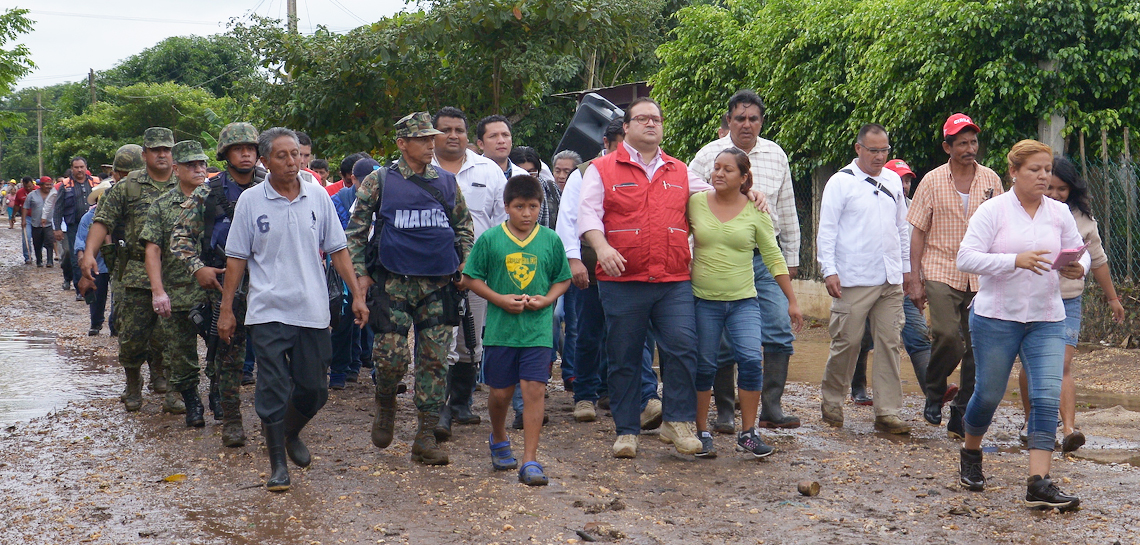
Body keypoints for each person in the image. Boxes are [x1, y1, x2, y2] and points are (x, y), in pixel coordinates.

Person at [578, 97, 768, 458]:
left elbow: (717, 195)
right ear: (627, 127)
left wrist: (749, 191)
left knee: (683, 349)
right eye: (643, 119)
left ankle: (678, 423)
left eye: (656, 119)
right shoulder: (601, 170)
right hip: (623, 281)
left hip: (674, 280)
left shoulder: (679, 171)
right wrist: (602, 249)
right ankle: (627, 430)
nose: (651, 124)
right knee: (625, 356)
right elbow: (587, 216)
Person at [217, 127, 366, 492]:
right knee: (272, 387)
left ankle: (291, 432)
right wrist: (227, 309)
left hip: (312, 308)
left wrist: (357, 295)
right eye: (282, 156)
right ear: (266, 162)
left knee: (315, 389)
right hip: (267, 308)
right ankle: (277, 467)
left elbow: (338, 249)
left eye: (296, 154)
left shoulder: (317, 196)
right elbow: (236, 258)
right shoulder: (251, 202)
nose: (292, 162)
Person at [955, 139, 1086, 511]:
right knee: (989, 395)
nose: (1044, 176)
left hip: (1046, 316)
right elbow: (966, 257)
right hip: (996, 316)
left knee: (1045, 397)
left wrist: (1077, 267)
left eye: (1047, 169)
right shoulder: (993, 211)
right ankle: (971, 452)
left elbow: (1080, 253)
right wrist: (1014, 260)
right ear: (1014, 172)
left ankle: (1038, 482)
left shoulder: (1059, 213)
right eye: (1035, 170)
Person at [345, 112, 474, 466]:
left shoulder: (446, 182)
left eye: (432, 138)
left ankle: (426, 434)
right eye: (422, 139)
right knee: (390, 358)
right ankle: (385, 400)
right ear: (402, 143)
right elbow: (355, 232)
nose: (431, 145)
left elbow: (464, 226)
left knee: (434, 361)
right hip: (393, 282)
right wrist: (362, 276)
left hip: (438, 283)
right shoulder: (379, 180)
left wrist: (465, 262)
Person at [689, 90, 802, 432]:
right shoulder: (709, 155)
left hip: (764, 260)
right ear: (729, 120)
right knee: (720, 344)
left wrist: (792, 259)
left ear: (761, 121)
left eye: (753, 118)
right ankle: (725, 411)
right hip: (719, 260)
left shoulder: (776, 154)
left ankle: (772, 407)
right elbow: (690, 193)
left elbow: (787, 208)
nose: (747, 124)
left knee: (780, 330)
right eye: (740, 118)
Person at [463, 174, 571, 485]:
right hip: (500, 330)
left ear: (540, 207)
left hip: (537, 330)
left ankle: (530, 460)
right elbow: (471, 277)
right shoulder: (490, 240)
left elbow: (562, 278)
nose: (526, 213)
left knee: (535, 390)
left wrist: (548, 299)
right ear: (506, 207)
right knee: (500, 393)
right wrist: (499, 299)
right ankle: (498, 437)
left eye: (533, 206)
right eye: (519, 206)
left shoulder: (550, 240)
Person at [1015, 156, 1125, 453]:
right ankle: (1032, 423)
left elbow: (1098, 259)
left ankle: (1069, 430)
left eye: (1061, 188)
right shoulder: (1023, 213)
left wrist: (1113, 298)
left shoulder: (1083, 221)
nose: (1054, 194)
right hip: (1033, 299)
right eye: (1049, 187)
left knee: (1062, 364)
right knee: (1032, 365)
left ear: (1071, 189)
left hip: (1068, 300)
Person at [907, 114, 1004, 437]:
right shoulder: (932, 181)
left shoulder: (991, 180)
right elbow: (918, 232)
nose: (969, 148)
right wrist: (915, 279)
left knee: (979, 346)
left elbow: (1001, 227)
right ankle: (934, 392)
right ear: (947, 147)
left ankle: (960, 411)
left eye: (973, 141)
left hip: (980, 273)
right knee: (948, 335)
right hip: (941, 269)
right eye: (961, 142)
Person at [168, 124, 264, 448]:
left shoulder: (272, 186)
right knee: (228, 357)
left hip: (267, 284)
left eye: (251, 148)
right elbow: (179, 238)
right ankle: (233, 420)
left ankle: (272, 418)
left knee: (273, 355)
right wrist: (199, 269)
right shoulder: (207, 192)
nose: (246, 154)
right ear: (225, 154)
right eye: (238, 148)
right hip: (224, 286)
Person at [816, 123, 912, 435]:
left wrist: (906, 270)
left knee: (889, 342)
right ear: (859, 149)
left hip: (889, 277)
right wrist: (828, 270)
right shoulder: (840, 183)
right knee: (848, 342)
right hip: (853, 278)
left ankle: (887, 411)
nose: (880, 156)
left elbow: (901, 229)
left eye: (884, 150)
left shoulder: (894, 180)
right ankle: (832, 400)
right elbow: (827, 230)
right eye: (873, 150)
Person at [80, 127, 179, 413]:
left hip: (175, 270)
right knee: (132, 335)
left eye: (167, 149)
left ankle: (173, 389)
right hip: (136, 271)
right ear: (145, 153)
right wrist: (89, 255)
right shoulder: (128, 186)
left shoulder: (184, 182)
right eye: (156, 149)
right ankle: (133, 383)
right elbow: (103, 221)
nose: (162, 154)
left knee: (171, 335)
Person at [431, 106, 506, 441]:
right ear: (433, 135)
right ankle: (438, 406)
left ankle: (461, 402)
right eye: (445, 130)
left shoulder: (488, 171)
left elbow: (504, 222)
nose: (453, 136)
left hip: (477, 271)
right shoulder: (419, 170)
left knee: (470, 341)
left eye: (459, 130)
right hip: (430, 274)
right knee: (436, 340)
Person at [848, 159, 933, 404]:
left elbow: (921, 248)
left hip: (903, 284)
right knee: (863, 338)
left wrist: (919, 280)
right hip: (870, 281)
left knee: (917, 335)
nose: (905, 185)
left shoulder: (915, 210)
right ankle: (858, 387)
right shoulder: (867, 205)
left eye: (907, 180)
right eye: (900, 179)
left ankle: (933, 394)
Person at [141, 141, 212, 428]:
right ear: (176, 169)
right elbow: (153, 250)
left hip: (214, 291)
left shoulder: (217, 198)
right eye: (191, 165)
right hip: (179, 291)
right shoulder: (162, 205)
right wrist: (158, 291)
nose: (198, 169)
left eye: (202, 164)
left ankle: (218, 395)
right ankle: (192, 401)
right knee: (182, 355)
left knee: (223, 350)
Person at [557, 118, 624, 422]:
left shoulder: (647, 170)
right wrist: (574, 260)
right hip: (593, 268)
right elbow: (569, 220)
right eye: (622, 143)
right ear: (607, 143)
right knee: (587, 332)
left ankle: (615, 391)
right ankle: (585, 395)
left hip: (631, 270)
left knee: (627, 334)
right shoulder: (583, 174)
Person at [54, 156, 97, 296]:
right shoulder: (65, 186)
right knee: (75, 256)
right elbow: (58, 208)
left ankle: (95, 284)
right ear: (72, 169)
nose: (79, 170)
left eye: (81, 167)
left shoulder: (95, 183)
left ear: (86, 168)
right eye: (76, 167)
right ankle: (80, 289)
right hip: (73, 226)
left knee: (95, 255)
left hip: (94, 225)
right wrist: (57, 228)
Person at [76, 180, 112, 336]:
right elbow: (80, 244)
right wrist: (84, 266)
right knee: (97, 294)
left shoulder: (121, 217)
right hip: (98, 264)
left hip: (118, 263)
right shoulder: (87, 219)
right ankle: (96, 323)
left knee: (119, 296)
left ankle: (116, 325)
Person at [510, 146, 560, 229]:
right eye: (521, 172)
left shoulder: (550, 188)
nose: (527, 177)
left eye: (531, 172)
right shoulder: (504, 191)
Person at [476, 115, 528, 179]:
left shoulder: (524, 176)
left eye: (505, 135)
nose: (501, 141)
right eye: (493, 136)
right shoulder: (470, 175)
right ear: (481, 144)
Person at [25, 176, 55, 268]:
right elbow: (25, 207)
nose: (49, 187)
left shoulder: (54, 194)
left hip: (49, 223)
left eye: (50, 185)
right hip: (36, 223)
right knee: (37, 243)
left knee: (50, 242)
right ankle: (39, 260)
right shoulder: (32, 195)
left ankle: (50, 261)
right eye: (47, 185)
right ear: (41, 185)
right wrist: (23, 220)